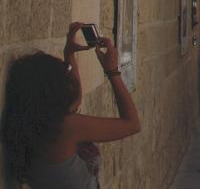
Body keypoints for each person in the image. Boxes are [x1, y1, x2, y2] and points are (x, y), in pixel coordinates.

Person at [2, 22, 141, 188]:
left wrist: (69, 54)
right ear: (54, 89)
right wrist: (113, 72)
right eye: (65, 73)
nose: (68, 75)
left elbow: (75, 101)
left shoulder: (29, 124)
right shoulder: (67, 128)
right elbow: (132, 124)